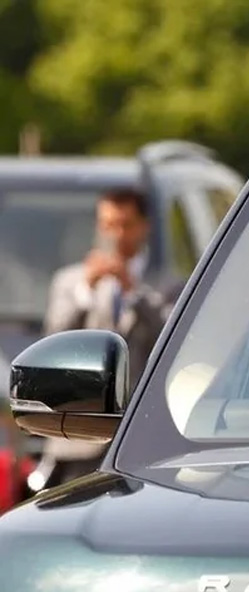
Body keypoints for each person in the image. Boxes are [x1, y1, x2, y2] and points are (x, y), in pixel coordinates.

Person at [36, 187, 175, 489]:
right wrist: (86, 291)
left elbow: (170, 342)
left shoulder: (166, 284)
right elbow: (53, 341)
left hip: (141, 435)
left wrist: (133, 292)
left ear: (144, 227)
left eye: (126, 225)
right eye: (109, 224)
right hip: (78, 436)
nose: (117, 234)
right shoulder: (70, 282)